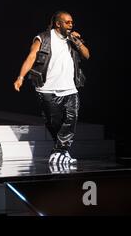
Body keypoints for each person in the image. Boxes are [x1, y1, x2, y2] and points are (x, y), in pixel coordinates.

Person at [14, 11, 90, 165]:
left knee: (71, 120)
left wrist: (78, 41)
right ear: (58, 23)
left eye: (71, 22)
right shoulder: (43, 38)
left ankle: (59, 151)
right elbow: (31, 57)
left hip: (70, 89)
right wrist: (21, 77)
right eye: (67, 22)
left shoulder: (72, 39)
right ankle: (62, 152)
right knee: (53, 123)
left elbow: (87, 56)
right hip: (47, 89)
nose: (71, 25)